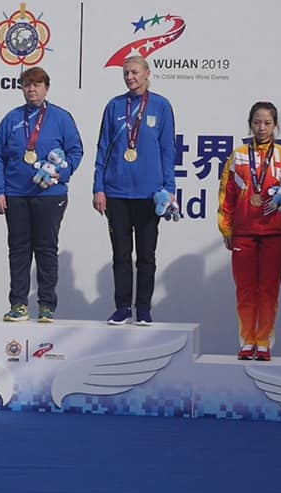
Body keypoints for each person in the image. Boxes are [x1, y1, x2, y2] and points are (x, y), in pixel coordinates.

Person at [0, 66, 83, 323]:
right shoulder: (11, 119)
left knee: (46, 249)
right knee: (18, 249)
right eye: (27, 85)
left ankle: (46, 305)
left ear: (46, 88)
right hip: (15, 194)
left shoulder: (61, 118)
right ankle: (18, 304)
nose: (31, 89)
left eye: (37, 84)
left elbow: (75, 151)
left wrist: (60, 174)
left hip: (49, 194)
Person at [92, 55, 176, 326]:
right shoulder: (114, 106)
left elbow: (168, 150)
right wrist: (98, 187)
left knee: (146, 255)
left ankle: (144, 308)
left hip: (149, 194)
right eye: (126, 73)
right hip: (116, 192)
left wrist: (169, 188)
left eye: (135, 72)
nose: (130, 77)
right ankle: (123, 307)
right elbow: (103, 148)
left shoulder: (161, 106)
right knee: (121, 254)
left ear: (147, 73)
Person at [217, 101, 281, 361]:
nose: (262, 128)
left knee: (268, 289)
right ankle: (247, 341)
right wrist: (226, 227)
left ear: (275, 126)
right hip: (243, 232)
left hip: (273, 232)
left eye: (267, 123)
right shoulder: (239, 155)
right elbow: (226, 194)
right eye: (257, 122)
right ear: (250, 124)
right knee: (245, 289)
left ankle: (263, 342)